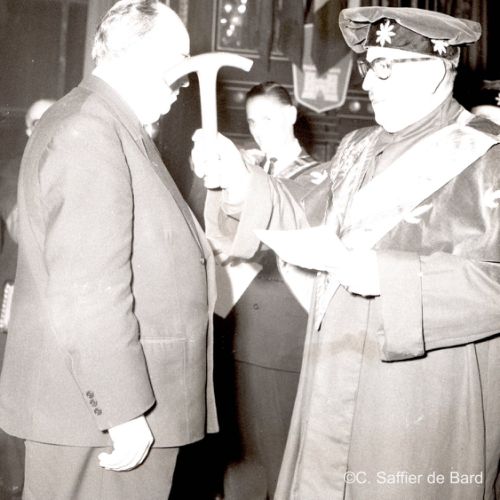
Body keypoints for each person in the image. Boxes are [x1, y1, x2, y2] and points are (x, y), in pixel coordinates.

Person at [193, 6, 500, 500]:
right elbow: (303, 216)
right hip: (331, 371)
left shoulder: (488, 157)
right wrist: (238, 182)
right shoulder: (357, 147)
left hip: (417, 392)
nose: (368, 82)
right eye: (367, 65)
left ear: (436, 69)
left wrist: (385, 276)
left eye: (385, 67)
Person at [0, 1, 218, 499]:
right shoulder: (91, 131)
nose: (182, 86)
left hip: (98, 407)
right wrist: (123, 410)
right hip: (102, 418)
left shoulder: (106, 123)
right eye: (178, 66)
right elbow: (89, 288)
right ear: (141, 55)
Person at [212, 82, 322, 499]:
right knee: (236, 462)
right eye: (252, 122)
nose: (259, 130)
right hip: (235, 329)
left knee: (277, 461)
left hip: (282, 339)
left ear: (291, 115)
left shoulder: (320, 177)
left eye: (269, 118)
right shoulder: (244, 171)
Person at [0, 98, 54, 498]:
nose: (43, 128)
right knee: (12, 389)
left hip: (63, 301)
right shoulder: (11, 170)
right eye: (36, 122)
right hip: (19, 295)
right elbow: (20, 226)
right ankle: (14, 482)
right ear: (27, 129)